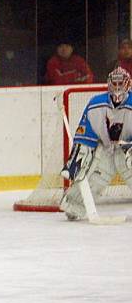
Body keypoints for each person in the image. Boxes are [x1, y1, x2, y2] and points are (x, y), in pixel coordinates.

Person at [60, 67, 132, 221]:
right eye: (115, 83)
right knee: (98, 175)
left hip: (128, 148)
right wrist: (77, 157)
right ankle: (74, 204)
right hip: (105, 149)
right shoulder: (95, 104)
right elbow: (84, 136)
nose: (118, 88)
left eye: (121, 84)